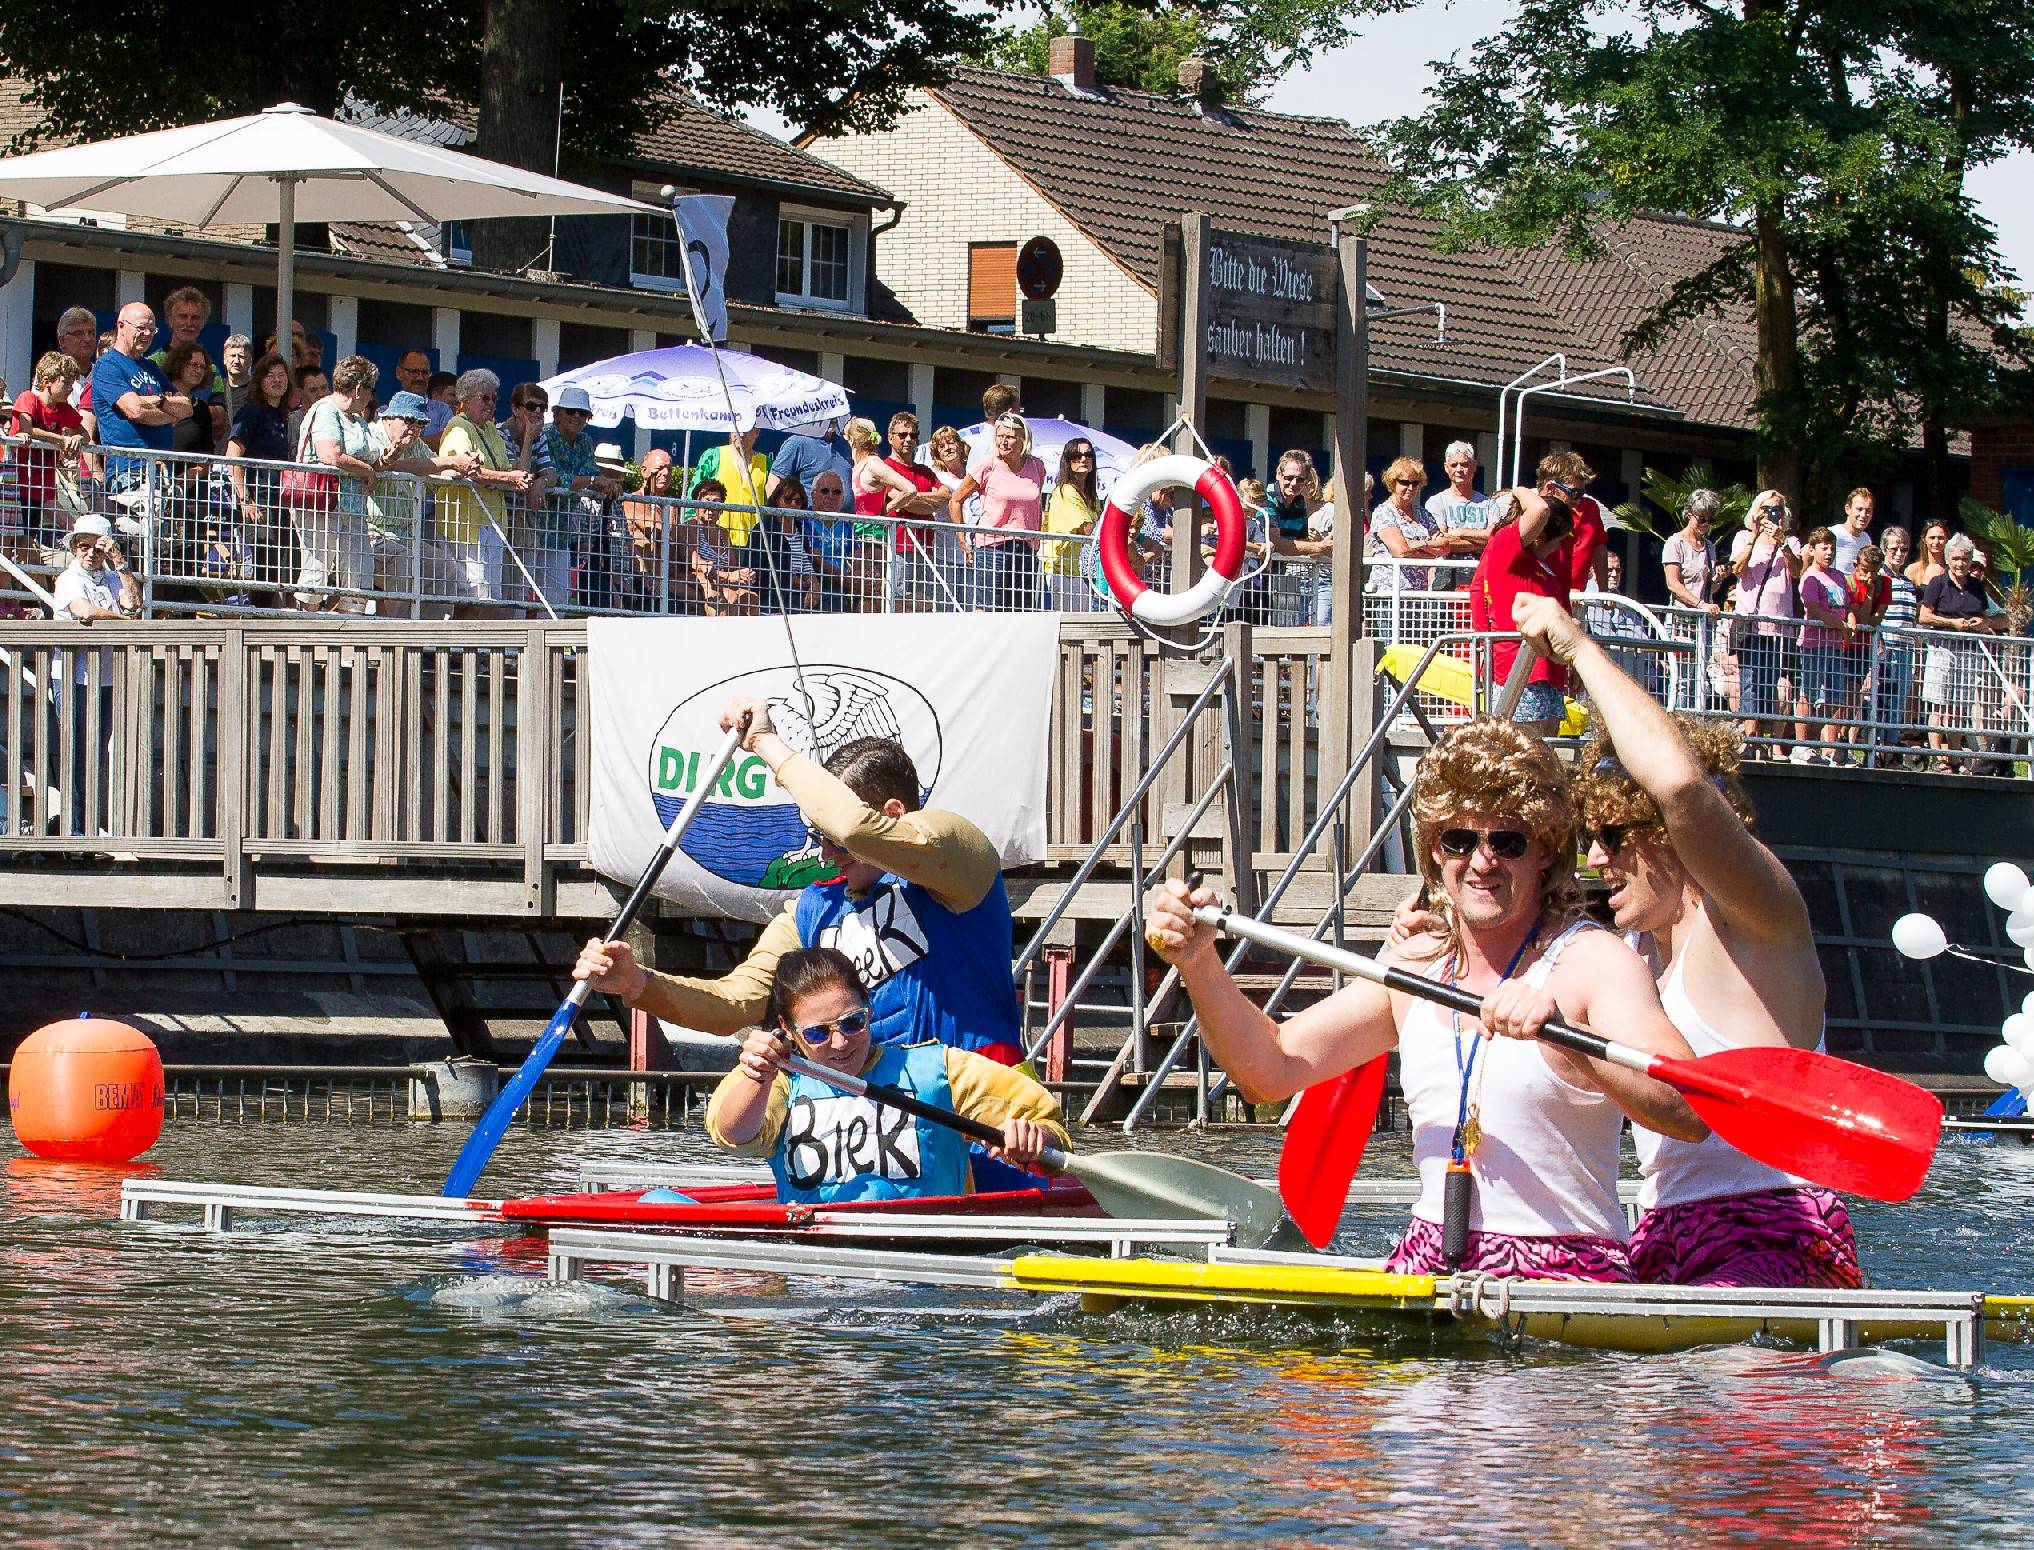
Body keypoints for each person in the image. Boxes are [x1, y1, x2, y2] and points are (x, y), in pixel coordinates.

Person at [1144, 717, 1703, 1281]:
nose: (1482, 862)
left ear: (1546, 851)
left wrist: (1571, 1040)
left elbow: (1691, 1110)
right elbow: (1271, 1069)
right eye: (1460, 840)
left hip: (1566, 1271)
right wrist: (1199, 963)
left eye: (1507, 841)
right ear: (1434, 851)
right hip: (1425, 1261)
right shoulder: (1415, 966)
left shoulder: (1594, 962)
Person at [1508, 591, 1863, 1289]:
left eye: (1613, 838)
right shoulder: (1626, 959)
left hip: (1775, 1231)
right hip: (1660, 1232)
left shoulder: (1758, 923)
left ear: (1672, 839)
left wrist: (1578, 647)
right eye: (1591, 840)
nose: (1596, 860)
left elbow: (1676, 784)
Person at [573, 697, 1028, 1070]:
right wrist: (637, 983)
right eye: (816, 838)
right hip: (887, 1129)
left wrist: (766, 743)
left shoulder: (960, 858)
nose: (826, 854)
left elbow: (853, 826)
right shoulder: (813, 910)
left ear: (891, 815)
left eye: (830, 838)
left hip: (987, 1118)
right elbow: (734, 1003)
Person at [704, 947, 1065, 1204]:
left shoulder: (941, 1069)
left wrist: (1034, 1137)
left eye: (852, 1022)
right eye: (818, 1033)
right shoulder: (778, 1080)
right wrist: (757, 1076)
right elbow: (733, 1135)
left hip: (929, 1265)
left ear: (869, 1008)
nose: (840, 1043)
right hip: (818, 1273)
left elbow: (1051, 1130)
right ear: (788, 1028)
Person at [52, 514, 140, 833]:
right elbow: (84, 612)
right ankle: (74, 832)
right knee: (76, 755)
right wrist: (123, 622)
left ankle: (85, 830)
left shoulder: (111, 577)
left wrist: (120, 562)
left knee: (96, 757)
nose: (90, 553)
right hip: (73, 679)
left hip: (104, 679)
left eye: (98, 548)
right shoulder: (69, 578)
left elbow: (133, 603)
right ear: (75, 546)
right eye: (84, 546)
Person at [1468, 488, 1575, 737]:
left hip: (1548, 672)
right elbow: (1539, 509)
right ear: (1539, 537)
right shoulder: (1504, 547)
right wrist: (1517, 490)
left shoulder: (1543, 566)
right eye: (1557, 542)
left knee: (1546, 756)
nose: (1558, 549)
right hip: (1517, 671)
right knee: (1522, 751)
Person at [363, 390, 480, 616]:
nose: (414, 428)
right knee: (404, 563)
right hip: (370, 535)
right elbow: (409, 466)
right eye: (409, 420)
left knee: (444, 566)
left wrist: (463, 469)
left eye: (421, 423)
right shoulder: (370, 435)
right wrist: (451, 461)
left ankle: (433, 636)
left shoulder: (415, 443)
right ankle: (399, 638)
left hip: (405, 538)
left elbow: (433, 469)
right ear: (389, 418)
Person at [436, 369, 533, 609]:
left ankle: (482, 646)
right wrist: (509, 478)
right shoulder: (458, 428)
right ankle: (464, 646)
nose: (491, 404)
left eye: (494, 398)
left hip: (492, 522)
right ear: (466, 400)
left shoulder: (491, 430)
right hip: (464, 525)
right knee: (472, 593)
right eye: (485, 398)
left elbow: (516, 469)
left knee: (490, 594)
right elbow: (469, 469)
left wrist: (529, 438)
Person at [295, 355, 382, 613]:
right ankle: (303, 637)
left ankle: (349, 644)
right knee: (317, 570)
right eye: (370, 388)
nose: (371, 395)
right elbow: (329, 454)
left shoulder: (358, 419)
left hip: (353, 508)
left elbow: (372, 455)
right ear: (358, 388)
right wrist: (365, 469)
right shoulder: (326, 410)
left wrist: (381, 460)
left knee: (359, 575)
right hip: (322, 503)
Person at [90, 303, 191, 508]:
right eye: (141, 328)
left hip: (162, 473)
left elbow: (186, 407)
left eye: (151, 330)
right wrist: (168, 410)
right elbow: (134, 410)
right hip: (128, 472)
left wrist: (159, 401)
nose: (147, 334)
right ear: (121, 325)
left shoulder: (151, 367)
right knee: (134, 537)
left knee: (160, 538)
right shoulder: (108, 365)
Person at [1729, 490, 1801, 756]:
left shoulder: (1790, 541)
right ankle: (1750, 740)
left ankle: (1766, 742)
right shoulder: (1743, 537)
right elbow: (1737, 569)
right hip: (1750, 620)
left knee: (1770, 683)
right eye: (1767, 508)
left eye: (1777, 509)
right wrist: (1755, 536)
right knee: (1749, 679)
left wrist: (1781, 541)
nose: (1772, 513)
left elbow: (1797, 572)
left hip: (1778, 624)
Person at [948, 412, 1044, 611]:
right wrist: (962, 539)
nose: (1003, 442)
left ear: (1023, 440)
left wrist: (1036, 541)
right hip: (992, 547)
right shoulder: (987, 465)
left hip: (1025, 548)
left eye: (1009, 437)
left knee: (1023, 611)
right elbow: (955, 500)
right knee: (990, 610)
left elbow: (1036, 506)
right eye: (1000, 436)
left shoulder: (1037, 466)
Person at [1918, 532, 1996, 771]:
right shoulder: (1937, 583)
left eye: (1965, 559)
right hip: (1942, 648)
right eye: (1956, 558)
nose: (1960, 563)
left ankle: (1953, 757)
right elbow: (1923, 615)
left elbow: (1987, 615)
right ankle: (1938, 757)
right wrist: (1952, 624)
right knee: (1939, 705)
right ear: (1948, 559)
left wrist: (1980, 623)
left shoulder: (1975, 586)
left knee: (1957, 706)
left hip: (1967, 652)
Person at [225, 351, 297, 606]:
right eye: (270, 375)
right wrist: (246, 499)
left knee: (277, 563)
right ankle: (260, 619)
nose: (277, 380)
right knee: (264, 563)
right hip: (259, 501)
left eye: (281, 375)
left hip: (279, 503)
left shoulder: (282, 416)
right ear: (260, 380)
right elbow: (233, 454)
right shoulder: (252, 411)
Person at [539, 384, 619, 612]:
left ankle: (551, 647)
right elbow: (552, 476)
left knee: (559, 598)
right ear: (557, 413)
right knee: (518, 593)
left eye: (582, 413)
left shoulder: (584, 441)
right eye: (570, 411)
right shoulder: (544, 436)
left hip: (561, 532)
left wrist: (607, 483)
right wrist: (595, 482)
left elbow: (590, 472)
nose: (576, 416)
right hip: (532, 527)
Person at [9, 352, 86, 547]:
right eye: (65, 383)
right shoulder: (29, 399)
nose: (70, 388)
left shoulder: (64, 409)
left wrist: (76, 438)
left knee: (27, 541)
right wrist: (62, 439)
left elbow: (84, 434)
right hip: (15, 483)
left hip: (40, 487)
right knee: (10, 542)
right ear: (47, 381)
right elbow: (28, 429)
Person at [1792, 527, 1852, 763]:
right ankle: (1800, 745)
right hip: (1813, 643)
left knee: (1836, 696)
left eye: (1831, 548)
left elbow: (1846, 606)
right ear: (1813, 549)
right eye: (1824, 548)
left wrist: (1847, 625)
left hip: (1835, 645)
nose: (1828, 553)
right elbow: (1813, 608)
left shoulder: (1838, 576)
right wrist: (1839, 624)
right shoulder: (1810, 577)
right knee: (1808, 692)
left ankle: (1813, 740)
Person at [1662, 488, 1721, 709]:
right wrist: (1700, 605)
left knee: (1700, 678)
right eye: (1702, 519)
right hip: (1681, 620)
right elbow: (1673, 584)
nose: (1706, 524)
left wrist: (1719, 578)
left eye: (1711, 520)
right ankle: (1678, 724)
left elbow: (1708, 586)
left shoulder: (1710, 547)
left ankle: (1697, 725)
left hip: (1703, 623)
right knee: (1682, 679)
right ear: (1689, 515)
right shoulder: (1675, 543)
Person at [1367, 456, 1448, 594]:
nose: (1410, 488)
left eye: (1415, 483)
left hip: (1418, 594)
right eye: (1404, 482)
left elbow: (1444, 547)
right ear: (1393, 483)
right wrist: (1428, 549)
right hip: (1389, 593)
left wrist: (1418, 544)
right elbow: (1401, 552)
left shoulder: (1423, 514)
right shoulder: (1384, 512)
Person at [1874, 526, 1921, 763]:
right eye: (1894, 548)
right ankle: (1878, 751)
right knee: (1880, 699)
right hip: (1884, 650)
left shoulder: (1908, 582)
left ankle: (1891, 750)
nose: (1899, 553)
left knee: (1897, 702)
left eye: (1904, 549)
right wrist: (1879, 643)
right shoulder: (1879, 578)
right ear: (1884, 549)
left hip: (1905, 650)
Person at [1265, 450, 1330, 620]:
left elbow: (1299, 541)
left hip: (1283, 579)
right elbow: (1278, 543)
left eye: (1300, 479)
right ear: (1279, 474)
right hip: (1257, 581)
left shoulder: (1299, 501)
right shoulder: (1266, 498)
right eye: (1289, 478)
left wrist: (1316, 543)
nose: (1294, 483)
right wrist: (1320, 546)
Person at [1041, 436, 1100, 612]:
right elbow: (1088, 529)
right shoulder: (1065, 491)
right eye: (1076, 455)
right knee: (1069, 630)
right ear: (1067, 461)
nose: (1083, 459)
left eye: (1088, 455)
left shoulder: (1092, 496)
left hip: (1081, 572)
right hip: (1063, 571)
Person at [1539, 451, 1610, 593]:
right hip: (1541, 593)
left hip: (1576, 597)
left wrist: (1603, 589)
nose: (1578, 500)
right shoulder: (1535, 511)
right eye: (1574, 493)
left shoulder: (1591, 508)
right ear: (1551, 488)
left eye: (1581, 493)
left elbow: (1599, 548)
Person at [1844, 543, 1890, 762]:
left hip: (1864, 649)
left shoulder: (1884, 584)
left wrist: (1871, 592)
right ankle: (1836, 741)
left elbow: (1873, 620)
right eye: (1864, 570)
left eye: (1873, 571)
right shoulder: (1847, 582)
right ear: (1856, 566)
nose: (1868, 575)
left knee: (1855, 696)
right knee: (1842, 695)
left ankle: (1845, 742)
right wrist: (1868, 595)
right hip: (1844, 647)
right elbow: (1859, 617)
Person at [686, 477, 755, 616]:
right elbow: (695, 562)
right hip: (702, 579)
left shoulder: (723, 533)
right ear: (696, 506)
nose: (711, 508)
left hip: (723, 580)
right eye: (706, 502)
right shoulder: (691, 527)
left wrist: (744, 575)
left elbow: (732, 567)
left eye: (716, 502)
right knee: (730, 597)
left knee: (751, 598)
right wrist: (728, 576)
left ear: (722, 509)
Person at [691, 425, 768, 548]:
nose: (741, 434)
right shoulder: (712, 456)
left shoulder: (766, 464)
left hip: (755, 545)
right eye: (737, 427)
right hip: (715, 540)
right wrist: (692, 535)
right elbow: (692, 498)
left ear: (757, 431)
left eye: (747, 429)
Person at [752, 476, 819, 613]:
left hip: (798, 591)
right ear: (777, 500)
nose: (793, 504)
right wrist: (804, 585)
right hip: (772, 595)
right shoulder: (764, 530)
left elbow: (806, 564)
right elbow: (766, 570)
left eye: (798, 501)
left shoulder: (801, 530)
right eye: (787, 499)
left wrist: (814, 585)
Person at [1426, 439, 1492, 565]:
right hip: (1446, 573)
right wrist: (1480, 543)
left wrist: (1461, 532)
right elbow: (1441, 541)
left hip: (1481, 572)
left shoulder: (1489, 504)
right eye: (1454, 465)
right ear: (1446, 467)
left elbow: (1494, 538)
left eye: (1465, 464)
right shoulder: (1436, 502)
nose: (1459, 469)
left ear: (1474, 466)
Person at [802, 466, 856, 612]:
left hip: (845, 582)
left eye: (836, 492)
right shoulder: (804, 520)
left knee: (871, 600)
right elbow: (816, 558)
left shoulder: (845, 524)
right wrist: (849, 581)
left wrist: (863, 578)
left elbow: (856, 556)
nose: (830, 496)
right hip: (818, 579)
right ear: (813, 495)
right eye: (825, 491)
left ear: (843, 498)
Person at [766, 420, 851, 508]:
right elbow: (773, 483)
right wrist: (781, 517)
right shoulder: (797, 442)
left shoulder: (845, 445)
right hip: (808, 519)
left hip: (845, 520)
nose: (833, 419)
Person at [1831, 487, 1874, 577]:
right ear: (1848, 509)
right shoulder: (1833, 534)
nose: (1863, 515)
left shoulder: (1866, 539)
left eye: (1868, 511)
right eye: (1859, 509)